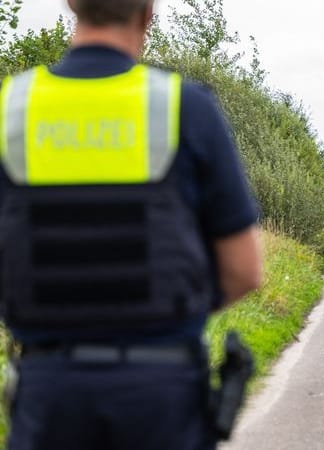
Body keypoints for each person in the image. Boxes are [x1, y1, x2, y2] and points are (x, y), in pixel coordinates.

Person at [0, 0, 263, 449]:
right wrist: (166, 311)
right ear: (148, 12)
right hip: (162, 393)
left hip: (49, 395)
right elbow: (244, 271)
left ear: (70, 5)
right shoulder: (187, 107)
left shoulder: (11, 107)